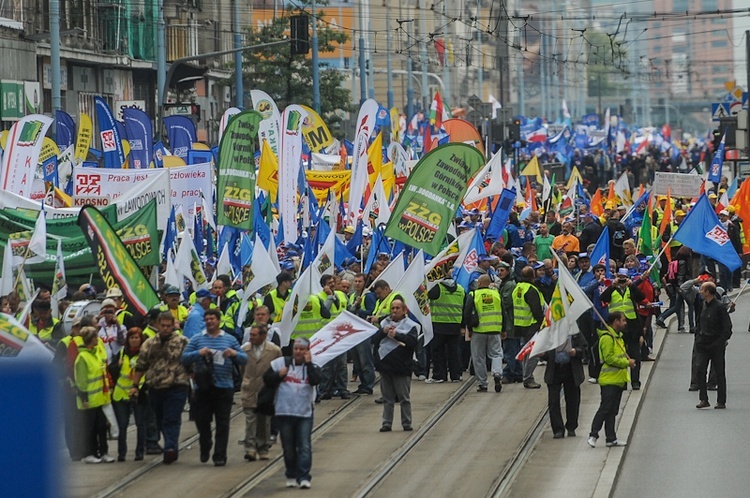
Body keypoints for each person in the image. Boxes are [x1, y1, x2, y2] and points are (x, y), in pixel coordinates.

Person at [181, 308, 247, 466]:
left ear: (218, 321)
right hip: (203, 387)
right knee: (202, 421)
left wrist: (234, 354)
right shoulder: (197, 339)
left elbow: (245, 360)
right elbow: (184, 358)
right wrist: (199, 353)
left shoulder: (229, 339)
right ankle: (205, 443)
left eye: (213, 319)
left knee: (223, 422)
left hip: (224, 387)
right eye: (207, 319)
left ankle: (220, 455)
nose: (210, 322)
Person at [131, 312, 190, 464]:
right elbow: (141, 365)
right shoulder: (149, 344)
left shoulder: (183, 342)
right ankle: (170, 444)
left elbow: (191, 362)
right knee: (160, 419)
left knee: (171, 418)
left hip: (177, 387)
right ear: (157, 325)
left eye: (168, 326)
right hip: (155, 388)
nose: (165, 329)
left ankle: (170, 448)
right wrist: (135, 386)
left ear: (173, 326)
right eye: (162, 325)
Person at [263, 338, 322, 489]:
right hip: (284, 412)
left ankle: (304, 476)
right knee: (288, 447)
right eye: (296, 348)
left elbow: (316, 380)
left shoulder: (313, 366)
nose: (298, 352)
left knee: (304, 446)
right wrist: (278, 375)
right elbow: (267, 379)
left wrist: (308, 364)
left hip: (304, 414)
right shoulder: (281, 363)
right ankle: (291, 473)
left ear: (307, 351)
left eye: (302, 349)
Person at [587, 312, 635, 448]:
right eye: (623, 320)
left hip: (618, 379)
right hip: (609, 380)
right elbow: (609, 358)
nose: (625, 323)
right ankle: (593, 435)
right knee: (605, 408)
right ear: (616, 322)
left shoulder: (618, 337)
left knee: (613, 411)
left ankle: (611, 438)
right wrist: (627, 363)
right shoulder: (608, 338)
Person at [373, 298, 419, 430]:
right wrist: (383, 332)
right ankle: (386, 423)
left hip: (402, 366)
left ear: (404, 310)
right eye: (392, 308)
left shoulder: (410, 325)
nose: (394, 311)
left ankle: (406, 423)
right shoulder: (384, 323)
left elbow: (412, 342)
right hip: (386, 366)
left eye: (397, 308)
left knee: (404, 398)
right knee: (387, 398)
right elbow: (374, 340)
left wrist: (397, 335)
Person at [241, 324, 282, 461]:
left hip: (266, 391)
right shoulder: (244, 350)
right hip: (249, 390)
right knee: (250, 420)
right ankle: (250, 448)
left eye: (254, 335)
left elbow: (278, 368)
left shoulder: (274, 351)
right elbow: (242, 368)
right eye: (250, 334)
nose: (251, 337)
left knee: (264, 422)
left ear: (263, 336)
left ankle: (263, 448)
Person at [75, 326, 116, 463]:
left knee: (102, 427)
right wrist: (84, 398)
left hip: (100, 398)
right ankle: (89, 453)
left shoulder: (96, 354)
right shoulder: (82, 357)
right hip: (89, 400)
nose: (98, 339)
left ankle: (103, 452)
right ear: (91, 340)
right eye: (95, 338)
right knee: (90, 428)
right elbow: (81, 381)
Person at [111, 328, 147, 461]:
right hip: (121, 393)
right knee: (122, 424)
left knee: (140, 423)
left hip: (139, 393)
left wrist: (140, 388)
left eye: (137, 338)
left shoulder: (144, 354)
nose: (134, 340)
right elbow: (112, 371)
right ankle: (121, 453)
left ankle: (139, 451)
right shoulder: (121, 353)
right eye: (132, 338)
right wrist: (117, 365)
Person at [695, 282, 732, 409]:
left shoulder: (719, 307)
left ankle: (721, 401)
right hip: (703, 344)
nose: (700, 292)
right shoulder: (703, 305)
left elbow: (727, 328)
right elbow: (699, 322)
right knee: (700, 370)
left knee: (719, 373)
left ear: (708, 292)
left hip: (716, 345)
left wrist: (719, 342)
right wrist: (698, 337)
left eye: (702, 290)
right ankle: (704, 399)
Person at [464, 275, 504, 392]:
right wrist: (504, 329)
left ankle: (482, 383)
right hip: (495, 329)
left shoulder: (474, 295)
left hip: (478, 330)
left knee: (478, 357)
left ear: (479, 283)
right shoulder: (496, 294)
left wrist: (469, 329)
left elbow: (467, 314)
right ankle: (497, 373)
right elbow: (503, 312)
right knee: (496, 354)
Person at [543, 332, 588, 438]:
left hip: (571, 370)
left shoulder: (575, 332)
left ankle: (571, 426)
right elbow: (546, 353)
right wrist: (543, 355)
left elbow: (585, 348)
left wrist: (576, 351)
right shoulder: (550, 331)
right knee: (553, 402)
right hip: (555, 370)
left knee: (573, 400)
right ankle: (558, 429)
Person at [426, 276, 465, 383]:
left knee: (438, 351)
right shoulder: (460, 289)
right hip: (455, 324)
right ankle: (456, 375)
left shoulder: (437, 287)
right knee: (454, 351)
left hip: (439, 323)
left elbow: (425, 295)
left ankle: (439, 375)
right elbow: (464, 307)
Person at [514, 267, 546, 389]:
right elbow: (536, 310)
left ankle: (527, 376)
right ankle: (527, 378)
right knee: (535, 352)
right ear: (533, 276)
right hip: (532, 325)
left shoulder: (518, 287)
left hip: (520, 325)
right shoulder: (531, 290)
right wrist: (542, 322)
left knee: (527, 353)